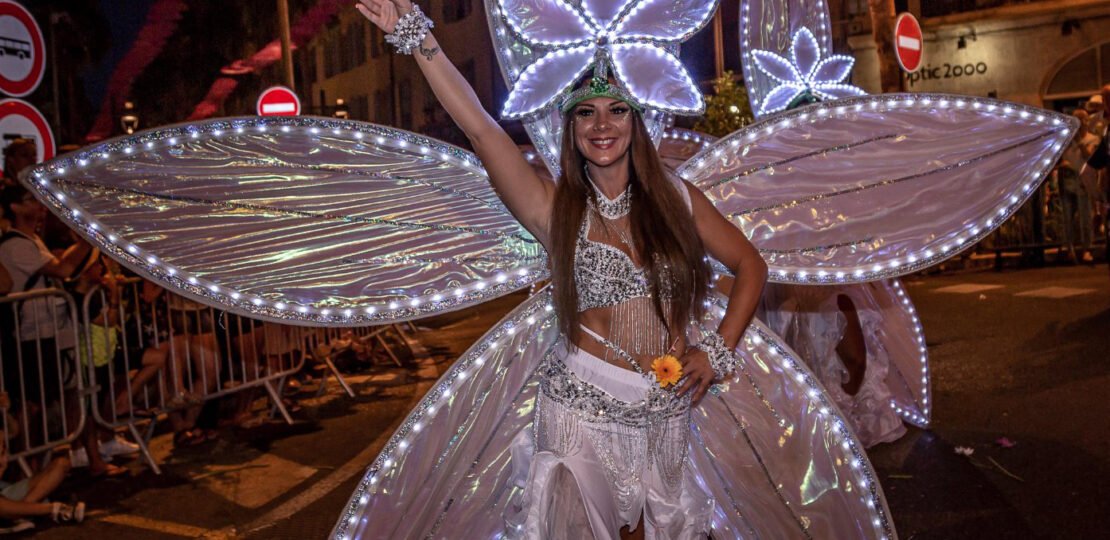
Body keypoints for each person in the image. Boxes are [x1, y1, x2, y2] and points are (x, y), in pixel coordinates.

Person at [355, 1, 767, 538]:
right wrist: (417, 39)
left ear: (636, 120)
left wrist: (716, 351)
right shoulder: (553, 210)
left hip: (664, 408)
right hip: (579, 407)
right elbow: (481, 129)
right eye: (585, 113)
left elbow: (750, 265)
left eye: (616, 110)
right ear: (569, 127)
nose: (601, 125)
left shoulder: (677, 200)